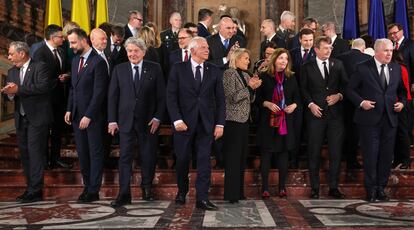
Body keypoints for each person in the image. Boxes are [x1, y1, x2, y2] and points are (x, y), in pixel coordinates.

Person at [167, 36, 225, 210]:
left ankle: (202, 198)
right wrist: (177, 119)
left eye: (207, 47)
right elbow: (171, 97)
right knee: (183, 159)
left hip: (206, 124)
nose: (208, 50)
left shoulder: (214, 70)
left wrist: (220, 124)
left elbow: (221, 100)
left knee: (204, 161)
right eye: (203, 47)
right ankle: (181, 191)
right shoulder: (178, 69)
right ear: (192, 50)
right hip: (183, 124)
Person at [108, 37, 166, 207]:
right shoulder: (119, 69)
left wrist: (157, 117)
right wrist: (112, 120)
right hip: (125, 122)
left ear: (143, 52)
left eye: (135, 51)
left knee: (147, 156)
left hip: (149, 122)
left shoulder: (154, 68)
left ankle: (147, 188)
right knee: (125, 158)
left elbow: (161, 97)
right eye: (129, 51)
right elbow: (112, 97)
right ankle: (124, 193)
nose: (132, 54)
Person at [347, 38, 406, 202]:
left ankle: (381, 188)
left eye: (391, 51)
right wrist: (361, 102)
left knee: (386, 157)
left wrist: (402, 102)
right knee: (371, 156)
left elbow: (402, 92)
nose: (389, 54)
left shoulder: (396, 69)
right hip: (369, 120)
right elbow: (350, 90)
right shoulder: (362, 68)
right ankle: (371, 190)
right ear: (377, 51)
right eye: (386, 51)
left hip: (390, 120)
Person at [1, 41, 52, 203]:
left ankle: (36, 190)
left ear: (22, 53)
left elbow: (43, 88)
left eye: (11, 54)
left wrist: (18, 90)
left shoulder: (40, 66)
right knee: (25, 155)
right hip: (21, 119)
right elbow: (10, 95)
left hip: (37, 118)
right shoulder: (11, 72)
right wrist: (8, 93)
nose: (9, 57)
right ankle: (30, 188)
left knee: (35, 153)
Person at [64, 28, 109, 203]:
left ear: (84, 40)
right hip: (76, 116)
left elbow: (99, 93)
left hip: (93, 118)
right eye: (69, 42)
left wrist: (89, 115)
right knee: (82, 153)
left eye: (73, 42)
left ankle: (93, 190)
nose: (71, 46)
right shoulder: (75, 61)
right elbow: (73, 88)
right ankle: (86, 187)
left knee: (95, 153)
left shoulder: (98, 62)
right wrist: (69, 109)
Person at [300, 36, 347, 199]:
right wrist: (310, 104)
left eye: (330, 48)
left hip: (335, 117)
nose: (328, 51)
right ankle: (315, 188)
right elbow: (303, 90)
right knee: (314, 152)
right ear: (316, 49)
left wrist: (339, 96)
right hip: (315, 115)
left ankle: (334, 187)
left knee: (335, 153)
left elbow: (346, 86)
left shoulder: (338, 64)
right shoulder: (306, 67)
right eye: (325, 48)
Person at [257, 48, 300, 198]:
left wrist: (294, 106)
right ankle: (265, 188)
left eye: (286, 59)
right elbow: (257, 100)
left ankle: (282, 187)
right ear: (274, 59)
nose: (284, 61)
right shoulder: (264, 76)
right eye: (281, 58)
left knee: (283, 154)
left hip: (285, 121)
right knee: (267, 155)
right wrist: (267, 104)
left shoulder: (291, 77)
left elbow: (297, 98)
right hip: (268, 121)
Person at [222, 48, 261, 203]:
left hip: (244, 121)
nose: (248, 61)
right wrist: (250, 88)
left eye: (248, 58)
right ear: (236, 59)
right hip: (232, 121)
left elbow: (249, 99)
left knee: (241, 158)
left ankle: (239, 192)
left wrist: (253, 89)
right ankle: (231, 194)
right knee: (233, 158)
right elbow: (232, 98)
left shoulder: (246, 75)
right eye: (245, 58)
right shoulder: (229, 74)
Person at [32, 24, 71, 169]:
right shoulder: (40, 53)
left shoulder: (61, 51)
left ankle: (56, 158)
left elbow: (67, 68)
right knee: (44, 132)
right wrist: (57, 80)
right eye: (61, 37)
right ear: (52, 37)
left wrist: (67, 75)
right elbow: (40, 77)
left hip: (60, 98)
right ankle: (44, 161)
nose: (63, 39)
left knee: (57, 130)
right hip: (45, 99)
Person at [336, 38, 371, 170]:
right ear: (363, 48)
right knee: (354, 130)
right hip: (360, 100)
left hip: (341, 99)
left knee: (342, 128)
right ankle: (352, 159)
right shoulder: (368, 58)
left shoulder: (339, 57)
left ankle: (342, 155)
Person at [288, 28, 316, 169]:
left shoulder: (316, 53)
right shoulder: (292, 54)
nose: (308, 43)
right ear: (300, 40)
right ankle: (294, 160)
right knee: (296, 130)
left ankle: (310, 160)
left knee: (311, 130)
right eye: (305, 40)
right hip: (296, 98)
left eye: (311, 40)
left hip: (312, 98)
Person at [391, 50, 412, 170]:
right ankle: (398, 159)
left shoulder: (400, 68)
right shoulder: (399, 67)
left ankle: (405, 160)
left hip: (402, 103)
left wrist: (401, 102)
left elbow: (403, 88)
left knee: (402, 132)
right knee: (397, 133)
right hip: (398, 102)